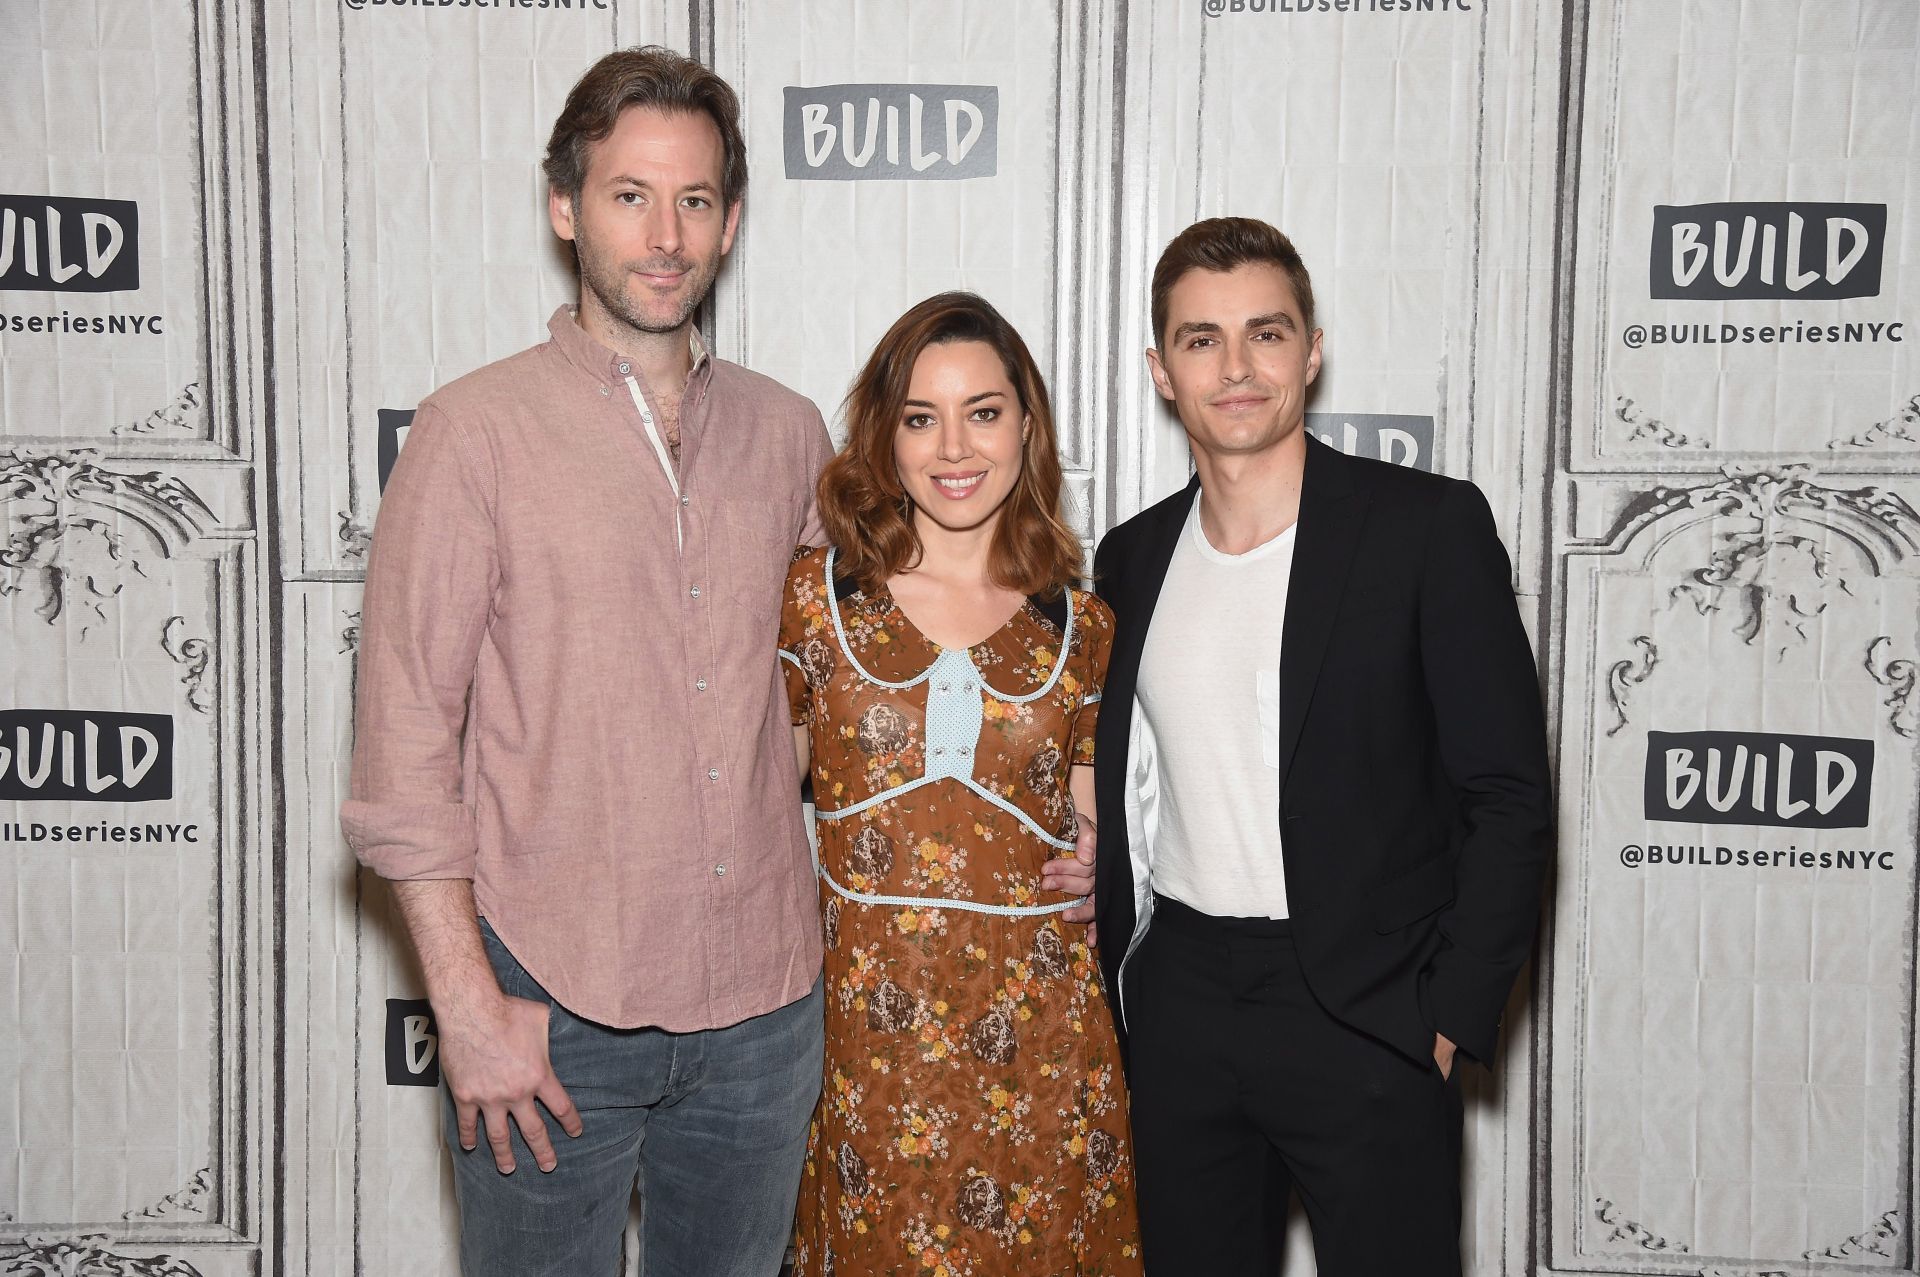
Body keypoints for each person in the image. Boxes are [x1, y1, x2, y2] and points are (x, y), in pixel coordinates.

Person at [342, 47, 839, 1275]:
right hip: (546, 1003)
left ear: (729, 219)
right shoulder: (473, 432)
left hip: (765, 1008)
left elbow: (856, 681)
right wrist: (466, 1004)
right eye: (630, 196)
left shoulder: (792, 433)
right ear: (566, 208)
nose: (665, 235)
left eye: (696, 199)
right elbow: (404, 746)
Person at [1090, 217, 1554, 1275]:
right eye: (1202, 340)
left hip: (1368, 1008)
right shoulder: (1132, 557)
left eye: (1266, 332)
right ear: (1161, 370)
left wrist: (1447, 1016)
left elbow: (1508, 792)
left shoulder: (1425, 529)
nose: (1237, 366)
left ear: (1312, 348)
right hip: (1185, 1004)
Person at [781, 292, 1144, 1276]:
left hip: (1040, 1040)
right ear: (886, 435)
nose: (955, 445)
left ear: (1026, 425)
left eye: (984, 410)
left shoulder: (1083, 625)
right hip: (866, 1039)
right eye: (921, 416)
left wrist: (1116, 866)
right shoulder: (816, 600)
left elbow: (1100, 835)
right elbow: (749, 807)